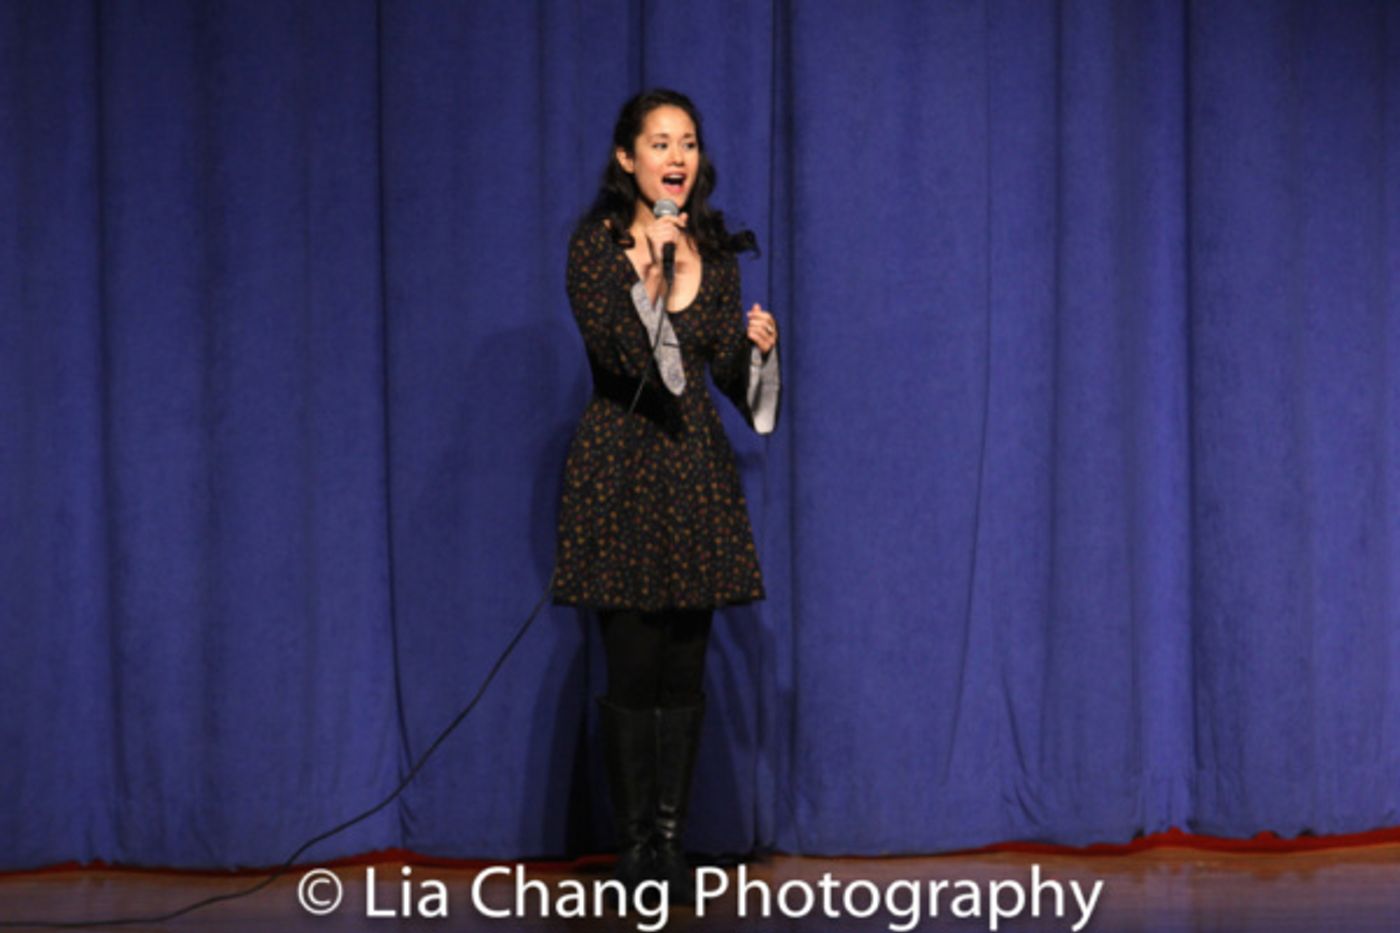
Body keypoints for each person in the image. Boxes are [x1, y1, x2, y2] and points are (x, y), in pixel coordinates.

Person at [552, 89, 780, 904]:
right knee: (633, 664)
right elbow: (623, 359)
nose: (676, 157)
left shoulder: (712, 252)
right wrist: (652, 275)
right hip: (619, 470)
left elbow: (720, 376)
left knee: (686, 667)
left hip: (695, 474)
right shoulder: (597, 248)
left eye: (687, 142)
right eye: (659, 142)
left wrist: (755, 353)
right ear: (627, 159)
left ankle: (672, 847)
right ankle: (634, 844)